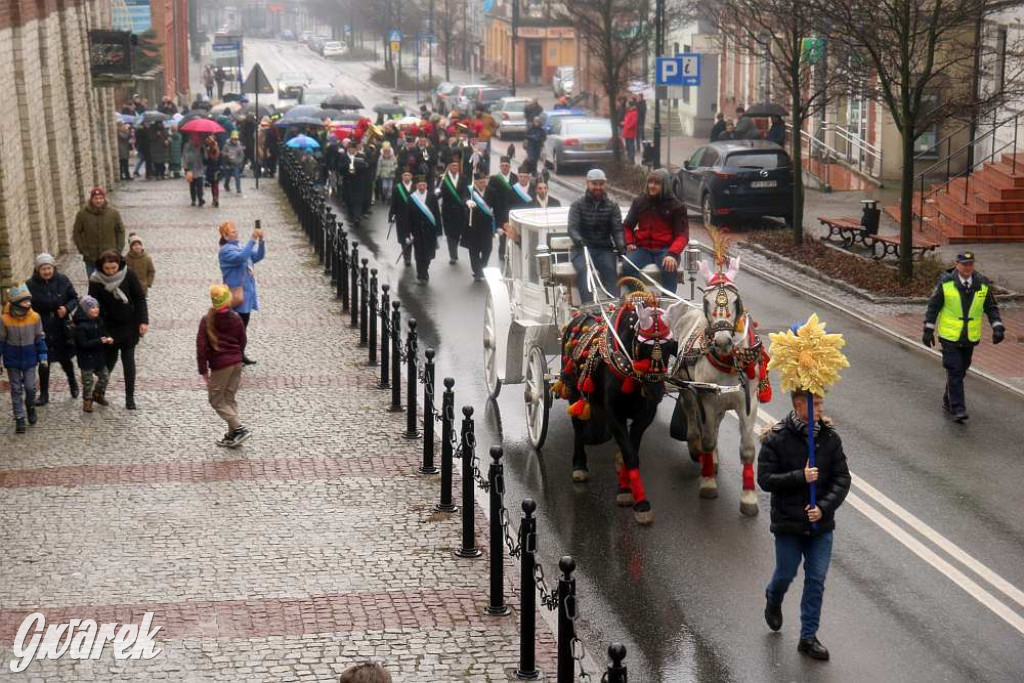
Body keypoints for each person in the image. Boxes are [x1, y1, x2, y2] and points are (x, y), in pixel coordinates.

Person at [759, 391, 851, 661]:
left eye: (821, 402)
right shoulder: (777, 438)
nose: (821, 407)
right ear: (799, 405)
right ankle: (774, 597)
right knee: (786, 573)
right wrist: (801, 476)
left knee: (816, 580)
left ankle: (808, 636)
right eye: (816, 403)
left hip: (820, 526)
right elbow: (765, 479)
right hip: (788, 524)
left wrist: (822, 507)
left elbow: (842, 479)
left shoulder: (829, 438)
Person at [922, 251, 1005, 422]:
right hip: (949, 336)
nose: (967, 268)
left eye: (970, 264)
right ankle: (958, 409)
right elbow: (933, 306)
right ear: (957, 264)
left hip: (969, 337)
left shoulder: (982, 284)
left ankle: (948, 398)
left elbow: (990, 307)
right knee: (955, 369)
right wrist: (928, 329)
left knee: (962, 369)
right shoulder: (946, 283)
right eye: (964, 264)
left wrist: (997, 327)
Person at [88, 250, 148, 410]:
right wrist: (97, 326)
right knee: (109, 362)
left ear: (118, 264)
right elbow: (92, 304)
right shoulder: (95, 280)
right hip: (108, 326)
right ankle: (99, 392)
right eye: (107, 268)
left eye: (113, 267)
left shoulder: (128, 274)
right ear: (102, 267)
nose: (111, 271)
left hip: (129, 325)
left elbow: (139, 298)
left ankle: (130, 398)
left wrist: (143, 320)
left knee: (129, 362)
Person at [197, 284, 251, 448]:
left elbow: (201, 347)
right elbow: (243, 339)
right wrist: (238, 355)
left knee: (215, 399)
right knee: (228, 398)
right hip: (236, 363)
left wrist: (203, 370)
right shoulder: (235, 317)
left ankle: (239, 428)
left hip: (221, 365)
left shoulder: (207, 319)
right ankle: (232, 435)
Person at [622, 169, 689, 292]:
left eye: (657, 183)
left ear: (665, 186)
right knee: (627, 267)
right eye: (650, 182)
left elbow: (682, 236)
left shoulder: (677, 206)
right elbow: (627, 226)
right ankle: (642, 300)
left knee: (669, 267)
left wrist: (672, 254)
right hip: (642, 249)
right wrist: (629, 242)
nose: (652, 186)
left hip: (665, 250)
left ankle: (667, 305)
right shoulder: (639, 202)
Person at [26, 253, 79, 405]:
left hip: (60, 327)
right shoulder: (30, 284)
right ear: (38, 270)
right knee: (44, 362)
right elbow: (25, 304)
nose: (47, 271)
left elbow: (74, 298)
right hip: (41, 328)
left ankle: (73, 383)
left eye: (48, 268)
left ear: (53, 268)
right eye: (43, 269)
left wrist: (66, 308)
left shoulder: (63, 280)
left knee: (65, 359)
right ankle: (44, 394)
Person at [568, 169, 623, 303]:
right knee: (584, 271)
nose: (598, 187)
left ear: (605, 185)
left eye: (601, 184)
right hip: (582, 249)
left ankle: (614, 307)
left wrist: (621, 245)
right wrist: (579, 240)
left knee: (610, 270)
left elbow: (617, 229)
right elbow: (572, 228)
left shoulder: (612, 205)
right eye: (594, 184)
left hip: (604, 249)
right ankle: (588, 307)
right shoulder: (577, 205)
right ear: (587, 183)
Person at [0, 283, 47, 433]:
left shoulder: (35, 317)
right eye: (25, 301)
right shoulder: (4, 320)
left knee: (30, 387)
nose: (29, 303)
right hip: (12, 359)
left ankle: (30, 406)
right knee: (15, 388)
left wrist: (43, 356)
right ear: (16, 303)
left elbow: (39, 337)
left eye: (29, 301)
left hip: (30, 358)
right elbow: (1, 340)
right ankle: (19, 417)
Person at [217, 221, 265, 365]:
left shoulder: (240, 246)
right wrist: (252, 240)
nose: (236, 233)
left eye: (236, 231)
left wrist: (261, 242)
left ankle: (240, 354)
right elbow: (241, 258)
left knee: (242, 327)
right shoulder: (225, 251)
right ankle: (233, 355)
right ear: (225, 236)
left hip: (247, 294)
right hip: (236, 295)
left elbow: (257, 256)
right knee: (237, 328)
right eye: (233, 232)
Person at [73, 186, 126, 277]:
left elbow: (120, 231)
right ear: (91, 199)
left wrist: (118, 249)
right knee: (94, 283)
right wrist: (83, 249)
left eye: (101, 198)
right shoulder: (82, 214)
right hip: (91, 257)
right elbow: (76, 232)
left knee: (110, 283)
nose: (98, 201)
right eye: (96, 198)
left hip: (110, 256)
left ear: (104, 199)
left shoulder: (113, 213)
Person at [73, 295, 113, 414]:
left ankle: (97, 394)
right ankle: (87, 401)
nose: (96, 309)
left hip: (98, 357)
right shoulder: (80, 326)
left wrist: (108, 338)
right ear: (86, 310)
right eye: (92, 308)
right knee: (87, 382)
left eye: (97, 307)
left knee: (105, 376)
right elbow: (83, 344)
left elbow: (104, 333)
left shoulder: (98, 321)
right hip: (86, 359)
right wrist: (100, 341)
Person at [407, 175, 442, 283]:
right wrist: (408, 233)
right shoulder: (412, 198)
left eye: (424, 185)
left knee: (428, 255)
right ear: (416, 186)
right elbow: (408, 216)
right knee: (419, 254)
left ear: (426, 185)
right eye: (420, 185)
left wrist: (438, 231)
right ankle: (421, 275)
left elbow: (436, 214)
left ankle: (425, 269)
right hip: (417, 231)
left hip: (430, 231)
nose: (422, 187)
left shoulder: (432, 197)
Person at [464, 171, 497, 281]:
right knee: (474, 250)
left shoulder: (491, 191)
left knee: (488, 248)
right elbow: (463, 198)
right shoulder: (470, 191)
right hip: (473, 226)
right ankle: (477, 271)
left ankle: (482, 267)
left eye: (484, 181)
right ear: (476, 182)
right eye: (480, 182)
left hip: (487, 226)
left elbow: (497, 207)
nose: (483, 184)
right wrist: (467, 201)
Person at [436, 159, 470, 264]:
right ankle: (453, 255)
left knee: (458, 233)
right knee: (450, 233)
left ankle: (454, 249)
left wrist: (465, 200)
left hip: (460, 211)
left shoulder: (464, 178)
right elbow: (438, 193)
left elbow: (467, 192)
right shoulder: (443, 179)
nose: (455, 167)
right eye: (452, 166)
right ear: (449, 167)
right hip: (448, 211)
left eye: (456, 166)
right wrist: (437, 193)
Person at [487, 157, 517, 262]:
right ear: (500, 167)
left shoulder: (515, 178)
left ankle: (512, 252)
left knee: (513, 232)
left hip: (512, 210)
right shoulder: (494, 179)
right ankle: (502, 252)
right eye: (503, 165)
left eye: (507, 165)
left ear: (510, 167)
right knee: (503, 233)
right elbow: (489, 194)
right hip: (500, 210)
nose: (505, 167)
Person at [389, 170, 415, 267]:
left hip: (413, 217)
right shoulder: (397, 188)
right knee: (404, 237)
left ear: (411, 176)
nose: (407, 177)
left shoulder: (415, 187)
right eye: (405, 175)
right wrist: (392, 215)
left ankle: (409, 256)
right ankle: (407, 257)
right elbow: (393, 203)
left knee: (411, 237)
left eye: (408, 175)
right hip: (401, 217)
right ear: (402, 177)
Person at [183, 136, 207, 206]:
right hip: (190, 168)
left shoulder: (202, 145)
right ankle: (193, 199)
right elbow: (184, 156)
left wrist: (203, 150)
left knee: (200, 184)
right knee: (192, 185)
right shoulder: (187, 146)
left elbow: (206, 157)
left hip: (199, 167)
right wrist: (185, 167)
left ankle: (200, 199)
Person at [204, 135, 222, 208]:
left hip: (213, 169)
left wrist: (208, 153)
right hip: (214, 169)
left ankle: (215, 198)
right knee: (215, 185)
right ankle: (215, 198)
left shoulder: (213, 149)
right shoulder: (215, 148)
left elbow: (208, 160)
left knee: (214, 184)